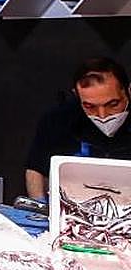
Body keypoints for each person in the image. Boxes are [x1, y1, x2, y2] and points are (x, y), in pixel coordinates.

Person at [25, 57, 131, 199]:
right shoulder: (57, 120)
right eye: (90, 106)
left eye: (113, 104)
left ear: (128, 91)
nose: (102, 115)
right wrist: (40, 209)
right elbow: (36, 170)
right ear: (77, 95)